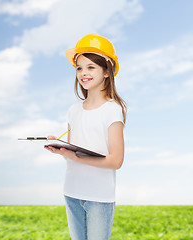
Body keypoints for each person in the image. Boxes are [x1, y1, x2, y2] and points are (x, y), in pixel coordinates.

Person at [44, 33, 127, 240]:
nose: (83, 73)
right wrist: (61, 148)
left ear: (107, 71)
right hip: (72, 191)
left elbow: (116, 161)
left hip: (99, 196)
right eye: (79, 68)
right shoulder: (73, 110)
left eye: (91, 67)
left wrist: (74, 156)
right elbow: (74, 152)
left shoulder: (112, 110)